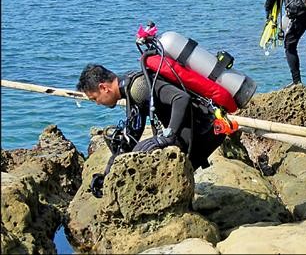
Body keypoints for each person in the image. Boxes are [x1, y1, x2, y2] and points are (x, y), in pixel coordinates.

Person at [77, 63, 227, 197]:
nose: (97, 103)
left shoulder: (138, 87)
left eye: (94, 98)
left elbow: (181, 99)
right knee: (142, 155)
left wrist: (168, 135)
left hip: (205, 130)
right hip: (195, 130)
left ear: (104, 88)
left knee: (155, 181)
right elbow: (132, 137)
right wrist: (107, 175)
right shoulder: (130, 89)